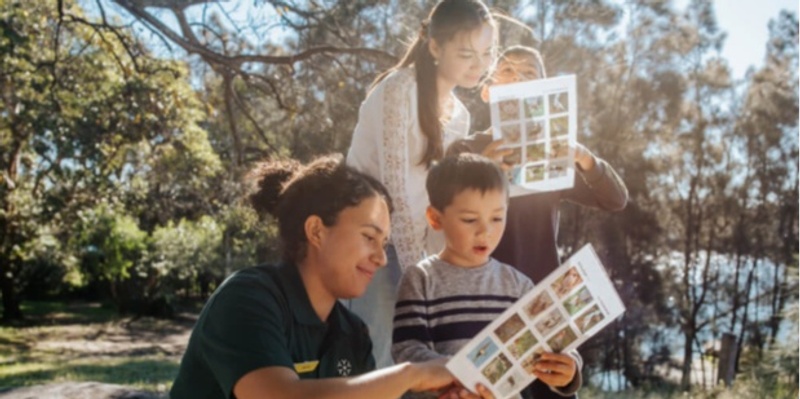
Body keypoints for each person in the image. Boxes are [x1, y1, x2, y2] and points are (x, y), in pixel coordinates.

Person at [170, 155, 460, 399]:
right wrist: (410, 374)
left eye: (384, 244)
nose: (382, 258)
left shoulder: (351, 332)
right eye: (369, 237)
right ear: (316, 231)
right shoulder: (246, 298)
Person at [453, 44, 628, 399]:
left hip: (540, 300)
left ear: (543, 93)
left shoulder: (553, 153)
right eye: (506, 71)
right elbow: (443, 213)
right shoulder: (465, 149)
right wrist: (483, 167)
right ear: (487, 90)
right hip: (480, 300)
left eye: (529, 74)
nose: (517, 79)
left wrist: (584, 157)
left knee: (553, 383)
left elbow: (615, 200)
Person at [345, 0, 498, 369]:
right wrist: (421, 278)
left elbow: (434, 199)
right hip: (369, 245)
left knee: (417, 365)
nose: (480, 65)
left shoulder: (458, 115)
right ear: (434, 46)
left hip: (413, 251)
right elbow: (394, 191)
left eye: (488, 53)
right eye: (466, 53)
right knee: (377, 361)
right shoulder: (400, 89)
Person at [392, 154, 582, 399]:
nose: (486, 231)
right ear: (436, 218)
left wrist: (570, 368)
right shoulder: (419, 279)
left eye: (497, 218)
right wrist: (460, 377)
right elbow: (407, 351)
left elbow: (554, 340)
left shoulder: (518, 284)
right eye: (470, 219)